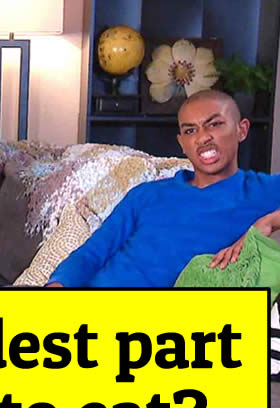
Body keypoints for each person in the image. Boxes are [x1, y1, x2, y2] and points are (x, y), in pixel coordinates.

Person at [47, 89, 280, 287]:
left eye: (215, 124)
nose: (202, 138)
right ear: (182, 144)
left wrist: (266, 224)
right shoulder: (147, 194)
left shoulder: (261, 190)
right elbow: (93, 253)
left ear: (242, 130)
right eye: (190, 130)